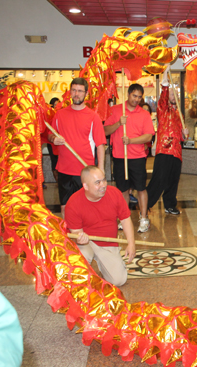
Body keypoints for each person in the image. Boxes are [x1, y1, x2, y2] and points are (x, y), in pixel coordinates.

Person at [65, 166, 136, 286]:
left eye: (104, 180)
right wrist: (80, 237)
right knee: (81, 259)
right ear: (85, 186)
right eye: (97, 182)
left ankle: (104, 265)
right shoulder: (73, 203)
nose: (103, 185)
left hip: (108, 243)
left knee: (119, 280)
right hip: (86, 242)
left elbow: (125, 220)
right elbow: (75, 232)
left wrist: (131, 243)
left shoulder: (114, 193)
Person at [48, 78, 106, 217]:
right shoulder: (60, 114)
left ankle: (88, 236)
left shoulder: (93, 116)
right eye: (74, 90)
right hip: (64, 170)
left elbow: (100, 145)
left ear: (86, 93)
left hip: (86, 170)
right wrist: (54, 139)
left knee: (87, 207)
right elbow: (50, 134)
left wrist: (101, 169)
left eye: (80, 91)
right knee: (65, 207)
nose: (76, 94)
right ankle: (68, 236)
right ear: (70, 92)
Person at [104, 84, 155, 232]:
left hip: (137, 157)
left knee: (141, 188)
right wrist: (119, 123)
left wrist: (131, 140)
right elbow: (105, 131)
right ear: (128, 94)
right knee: (123, 190)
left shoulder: (144, 114)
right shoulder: (115, 111)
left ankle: (144, 218)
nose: (137, 100)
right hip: (119, 156)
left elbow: (148, 136)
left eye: (139, 97)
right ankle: (124, 218)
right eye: (134, 96)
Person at [146, 69, 189, 215]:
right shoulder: (163, 109)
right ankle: (146, 203)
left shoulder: (179, 114)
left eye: (175, 94)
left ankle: (170, 205)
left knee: (173, 180)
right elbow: (164, 96)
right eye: (171, 94)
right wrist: (166, 75)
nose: (174, 96)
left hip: (177, 151)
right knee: (159, 179)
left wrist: (185, 134)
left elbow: (182, 137)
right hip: (164, 149)